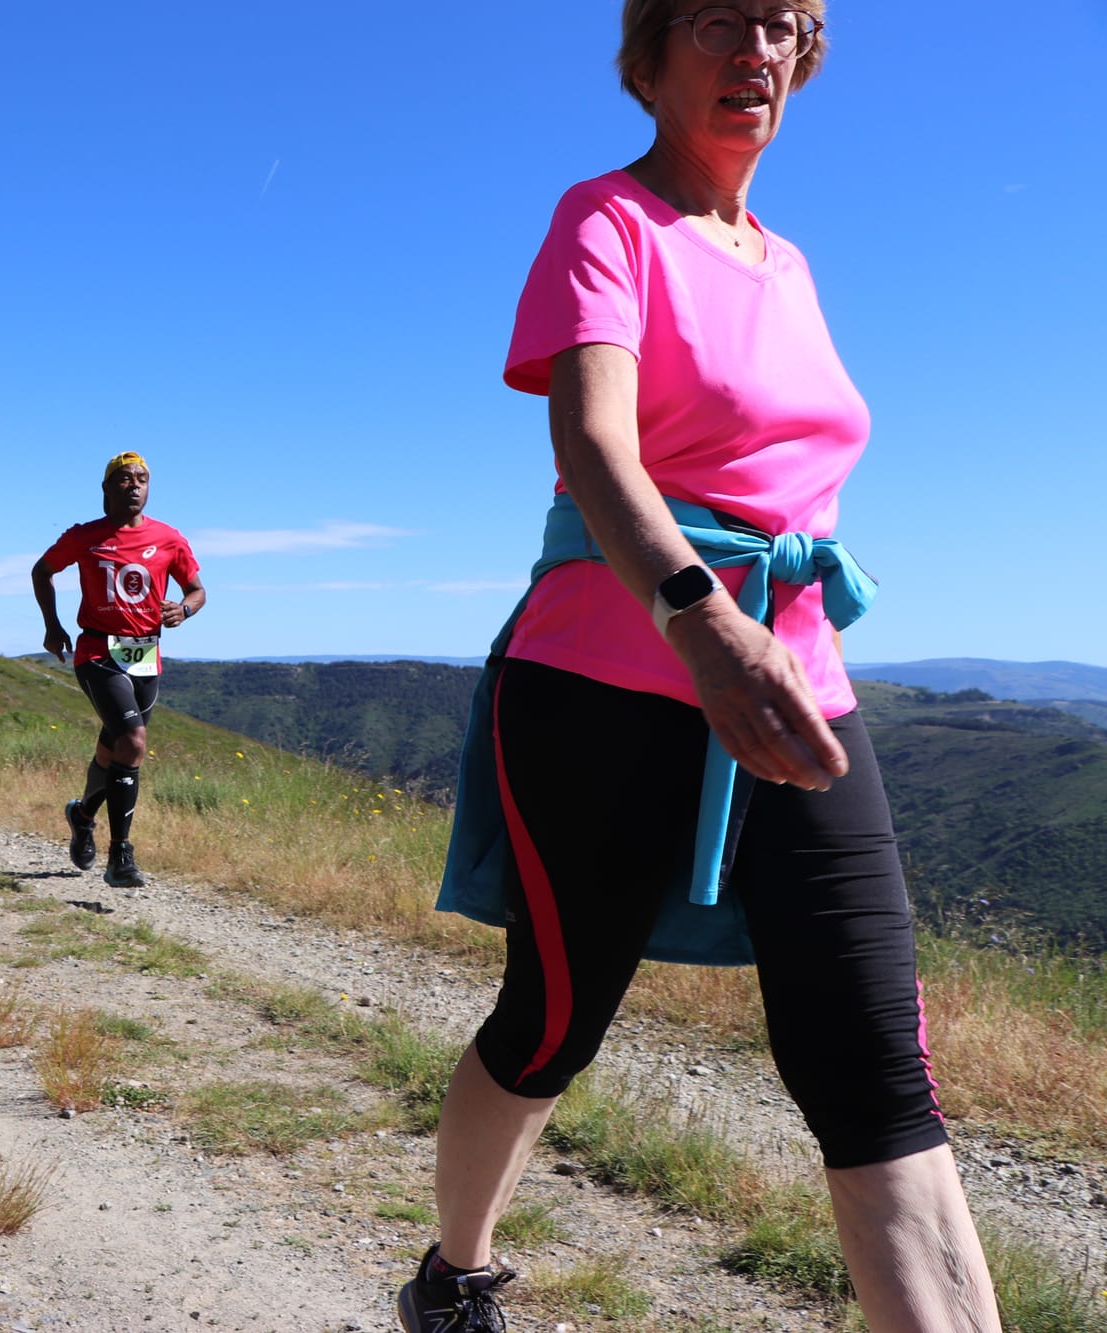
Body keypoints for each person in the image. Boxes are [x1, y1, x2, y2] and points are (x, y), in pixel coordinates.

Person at [402, 5, 1002, 1331]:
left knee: (875, 1069)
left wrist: (754, 635)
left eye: (785, 24)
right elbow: (597, 443)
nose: (759, 48)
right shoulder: (606, 221)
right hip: (606, 682)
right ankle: (453, 1277)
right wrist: (698, 613)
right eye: (724, 17)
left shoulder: (787, 265)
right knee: (554, 1017)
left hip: (798, 693)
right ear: (651, 56)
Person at [32, 453, 205, 889]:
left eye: (142, 479)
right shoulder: (85, 536)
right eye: (124, 479)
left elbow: (198, 591)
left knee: (115, 753)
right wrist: (53, 625)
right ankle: (120, 856)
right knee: (133, 741)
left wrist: (183, 609)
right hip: (96, 649)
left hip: (144, 653)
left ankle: (82, 815)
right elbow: (43, 570)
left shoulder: (168, 538)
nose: (134, 486)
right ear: (107, 488)